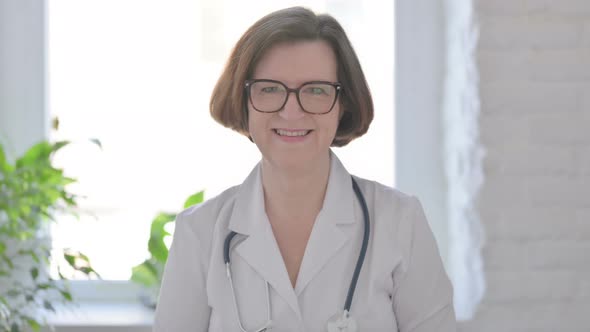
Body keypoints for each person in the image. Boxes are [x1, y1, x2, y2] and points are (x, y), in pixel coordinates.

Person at [154, 6, 456, 332]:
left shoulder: (400, 222)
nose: (292, 111)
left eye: (316, 90)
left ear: (344, 104)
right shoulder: (199, 232)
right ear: (243, 102)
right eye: (270, 88)